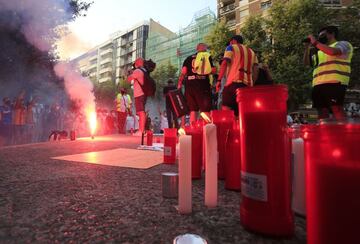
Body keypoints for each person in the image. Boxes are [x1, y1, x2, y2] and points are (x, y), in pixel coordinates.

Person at [304, 25, 353, 119]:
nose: (320, 38)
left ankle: (344, 131)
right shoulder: (320, 51)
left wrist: (316, 43)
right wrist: (306, 49)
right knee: (321, 110)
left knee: (336, 108)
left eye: (323, 35)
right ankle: (324, 132)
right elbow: (307, 63)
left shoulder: (343, 44)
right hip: (318, 84)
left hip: (335, 82)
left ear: (332, 34)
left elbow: (333, 52)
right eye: (319, 36)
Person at [217, 35, 259, 116]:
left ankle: (229, 128)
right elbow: (256, 69)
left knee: (226, 109)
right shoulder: (251, 51)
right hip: (247, 86)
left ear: (233, 41)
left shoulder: (230, 47)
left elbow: (224, 63)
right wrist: (252, 83)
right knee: (242, 112)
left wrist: (219, 80)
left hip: (233, 83)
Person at [178, 43, 216, 123]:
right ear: (204, 48)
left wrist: (179, 84)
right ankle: (207, 130)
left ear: (197, 49)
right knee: (205, 109)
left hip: (189, 86)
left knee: (193, 110)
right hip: (202, 85)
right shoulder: (206, 56)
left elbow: (183, 72)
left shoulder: (188, 58)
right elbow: (213, 70)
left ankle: (193, 131)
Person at [127, 58, 147, 135]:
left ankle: (141, 131)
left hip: (139, 94)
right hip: (143, 94)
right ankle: (142, 130)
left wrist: (130, 73)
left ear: (137, 63)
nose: (134, 65)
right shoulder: (144, 71)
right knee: (141, 112)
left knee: (141, 112)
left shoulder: (137, 71)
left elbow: (128, 79)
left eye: (135, 63)